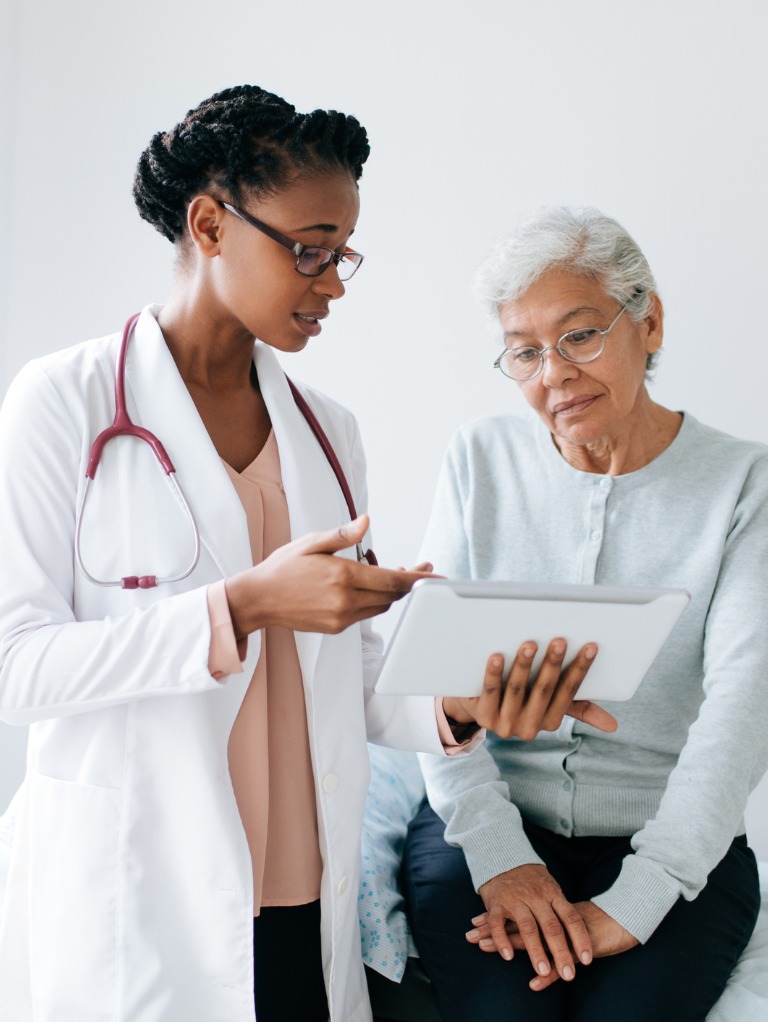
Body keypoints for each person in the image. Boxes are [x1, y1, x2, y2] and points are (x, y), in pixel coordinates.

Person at [0, 90, 611, 1022]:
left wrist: (456, 700)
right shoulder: (63, 402)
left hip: (300, 884)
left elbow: (349, 677)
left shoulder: (330, 434)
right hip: (141, 890)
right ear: (210, 223)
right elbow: (18, 667)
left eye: (343, 257)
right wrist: (241, 607)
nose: (331, 283)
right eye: (311, 249)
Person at [402, 206, 768, 1022]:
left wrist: (640, 898)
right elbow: (434, 688)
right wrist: (501, 860)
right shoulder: (478, 459)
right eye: (525, 352)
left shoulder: (746, 485)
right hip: (485, 829)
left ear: (649, 323)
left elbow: (742, 711)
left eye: (578, 336)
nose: (554, 374)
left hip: (673, 846)